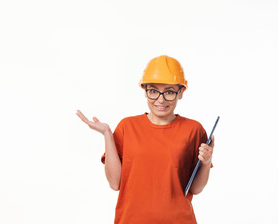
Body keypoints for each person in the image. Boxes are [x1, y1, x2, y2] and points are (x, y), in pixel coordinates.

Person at [76, 55, 214, 224]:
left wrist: (206, 163)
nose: (160, 100)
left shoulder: (194, 130)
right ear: (145, 90)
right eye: (153, 91)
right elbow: (115, 183)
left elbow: (196, 188)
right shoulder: (127, 126)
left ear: (181, 92)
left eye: (169, 92)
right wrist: (107, 135)